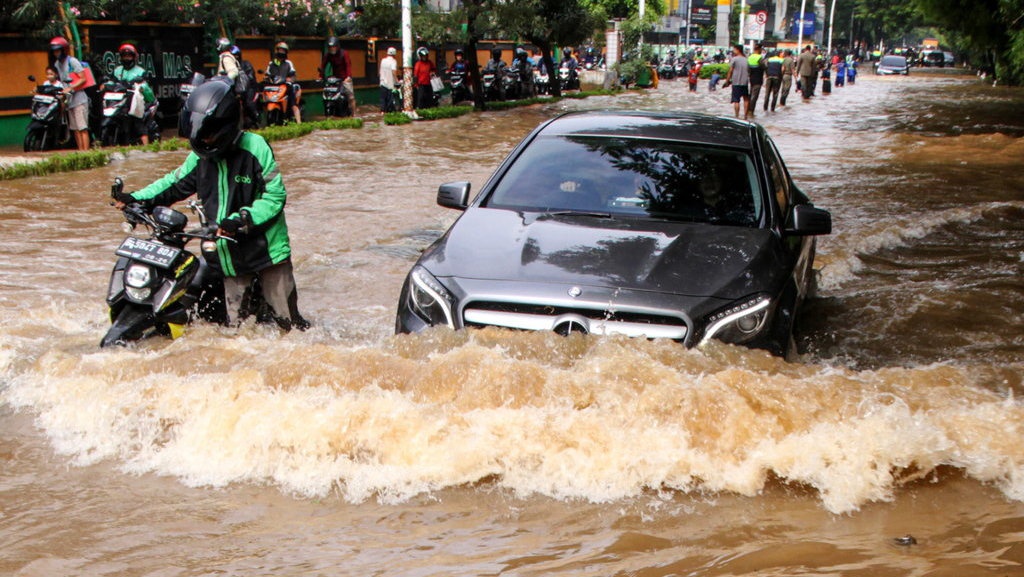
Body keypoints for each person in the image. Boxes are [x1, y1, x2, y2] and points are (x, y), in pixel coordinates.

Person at [112, 78, 308, 331]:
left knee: (287, 327)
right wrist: (136, 199)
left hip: (266, 252)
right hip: (228, 255)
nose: (205, 140)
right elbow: (174, 183)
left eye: (210, 133)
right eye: (200, 135)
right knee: (240, 331)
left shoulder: (255, 147)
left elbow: (275, 196)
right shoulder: (200, 158)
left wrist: (242, 219)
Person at [50, 36, 90, 150]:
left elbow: (83, 78)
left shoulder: (72, 61)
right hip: (69, 101)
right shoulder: (58, 64)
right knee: (75, 129)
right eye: (54, 51)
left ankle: (86, 153)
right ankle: (81, 151)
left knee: (82, 128)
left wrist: (71, 87)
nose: (56, 53)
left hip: (79, 100)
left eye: (58, 50)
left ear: (63, 50)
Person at [112, 43, 156, 145]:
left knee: (138, 123)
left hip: (136, 103)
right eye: (124, 56)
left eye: (129, 56)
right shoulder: (117, 71)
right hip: (119, 102)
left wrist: (140, 86)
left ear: (134, 57)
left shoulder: (141, 72)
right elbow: (111, 82)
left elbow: (146, 87)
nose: (127, 58)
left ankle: (147, 147)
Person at [267, 42, 301, 123]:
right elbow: (267, 74)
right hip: (275, 88)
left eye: (283, 51)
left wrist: (290, 79)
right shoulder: (271, 64)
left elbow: (293, 74)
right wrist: (266, 78)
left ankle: (299, 123)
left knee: (293, 104)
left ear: (286, 52)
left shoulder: (288, 63)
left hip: (286, 87)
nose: (281, 52)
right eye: (280, 50)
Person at [320, 36, 355, 115]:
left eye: (334, 47)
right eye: (330, 47)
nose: (332, 49)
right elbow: (323, 65)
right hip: (335, 79)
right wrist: (321, 76)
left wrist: (348, 76)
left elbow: (348, 65)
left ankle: (353, 114)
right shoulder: (328, 55)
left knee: (350, 97)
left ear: (337, 46)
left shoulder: (344, 53)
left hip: (345, 78)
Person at [233, 45, 260, 128]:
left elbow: (250, 78)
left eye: (236, 55)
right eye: (233, 55)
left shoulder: (246, 64)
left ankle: (256, 117)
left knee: (248, 103)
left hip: (249, 88)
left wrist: (243, 83)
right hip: (236, 89)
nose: (235, 57)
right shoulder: (230, 67)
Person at [725, 44, 750, 119]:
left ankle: (737, 116)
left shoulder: (734, 59)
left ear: (738, 50)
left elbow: (730, 71)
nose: (733, 51)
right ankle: (745, 116)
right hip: (745, 82)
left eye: (734, 49)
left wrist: (727, 81)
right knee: (746, 99)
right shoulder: (746, 59)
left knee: (736, 100)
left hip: (736, 82)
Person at [746, 44, 766, 116]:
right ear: (759, 49)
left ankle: (747, 110)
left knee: (751, 94)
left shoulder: (749, 57)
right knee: (755, 96)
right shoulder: (760, 58)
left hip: (751, 78)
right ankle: (751, 111)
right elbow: (765, 67)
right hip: (758, 79)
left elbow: (747, 69)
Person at [379, 46, 399, 113]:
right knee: (389, 100)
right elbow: (394, 72)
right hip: (390, 84)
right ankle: (389, 112)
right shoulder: (393, 61)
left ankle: (382, 111)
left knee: (383, 98)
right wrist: (397, 81)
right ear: (394, 54)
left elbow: (380, 71)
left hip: (382, 82)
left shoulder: (383, 60)